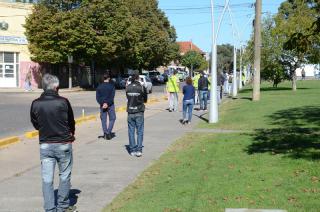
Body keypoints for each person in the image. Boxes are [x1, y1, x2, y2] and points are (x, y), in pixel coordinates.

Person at [30, 74, 76, 212]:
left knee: (47, 179)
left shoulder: (36, 103)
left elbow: (35, 123)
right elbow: (71, 121)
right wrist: (71, 133)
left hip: (45, 144)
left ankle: (50, 208)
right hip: (63, 143)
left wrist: (45, 130)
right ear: (56, 87)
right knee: (64, 176)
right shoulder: (63, 101)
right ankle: (62, 206)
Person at [126, 74, 148, 157]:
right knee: (139, 131)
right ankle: (139, 150)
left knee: (131, 131)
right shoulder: (142, 87)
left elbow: (128, 98)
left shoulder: (128, 87)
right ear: (138, 78)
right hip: (139, 111)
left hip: (130, 111)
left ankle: (132, 150)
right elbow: (145, 99)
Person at [96, 73, 116, 140]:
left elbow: (97, 98)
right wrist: (107, 103)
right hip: (110, 104)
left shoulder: (99, 87)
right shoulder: (112, 86)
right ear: (109, 78)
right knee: (112, 118)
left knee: (103, 119)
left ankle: (105, 133)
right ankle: (108, 132)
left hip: (102, 105)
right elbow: (112, 97)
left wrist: (103, 103)